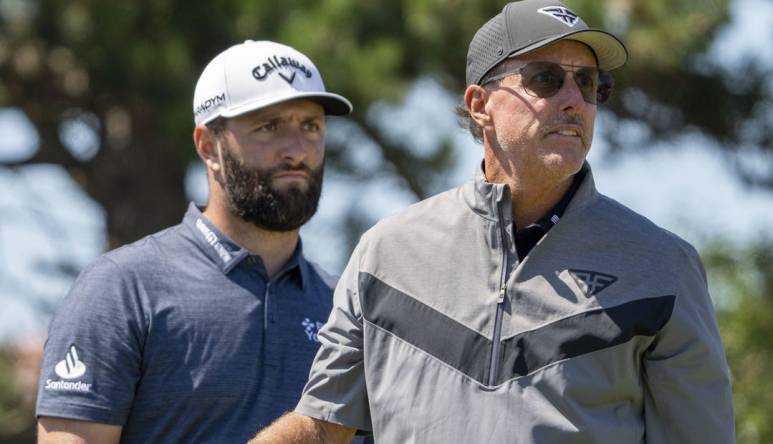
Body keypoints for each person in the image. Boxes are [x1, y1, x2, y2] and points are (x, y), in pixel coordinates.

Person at [250, 1, 735, 443]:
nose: (574, 100)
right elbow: (323, 426)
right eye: (547, 79)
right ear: (480, 104)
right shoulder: (385, 253)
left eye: (589, 83)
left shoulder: (663, 267)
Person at [35, 40, 352, 443]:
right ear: (208, 146)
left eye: (311, 126)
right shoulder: (120, 289)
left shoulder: (344, 304)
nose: (296, 150)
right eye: (268, 126)